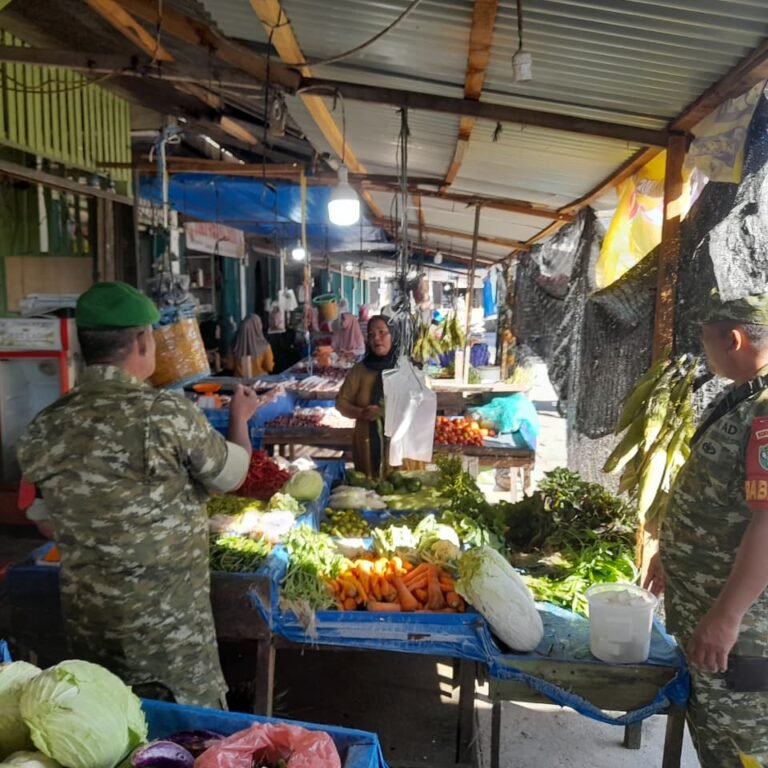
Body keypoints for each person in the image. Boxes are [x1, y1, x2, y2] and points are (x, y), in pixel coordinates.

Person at [17, 281, 263, 709]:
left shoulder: (45, 425)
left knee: (108, 730)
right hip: (171, 639)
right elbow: (232, 477)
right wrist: (240, 418)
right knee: (182, 740)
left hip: (90, 629)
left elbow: (43, 519)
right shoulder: (165, 413)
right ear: (143, 340)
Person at [644, 291, 768, 766]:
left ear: (733, 338)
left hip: (745, 639)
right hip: (715, 617)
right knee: (716, 744)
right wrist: (673, 555)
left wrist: (728, 616)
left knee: (741, 753)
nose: (704, 351)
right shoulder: (746, 396)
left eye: (705, 340)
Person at [336, 315, 398, 477]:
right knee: (369, 491)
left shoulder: (407, 369)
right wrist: (362, 413)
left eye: (382, 332)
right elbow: (341, 403)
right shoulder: (359, 370)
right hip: (367, 444)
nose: (376, 338)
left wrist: (388, 411)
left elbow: (421, 404)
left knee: (400, 489)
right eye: (371, 334)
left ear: (394, 335)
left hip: (400, 447)